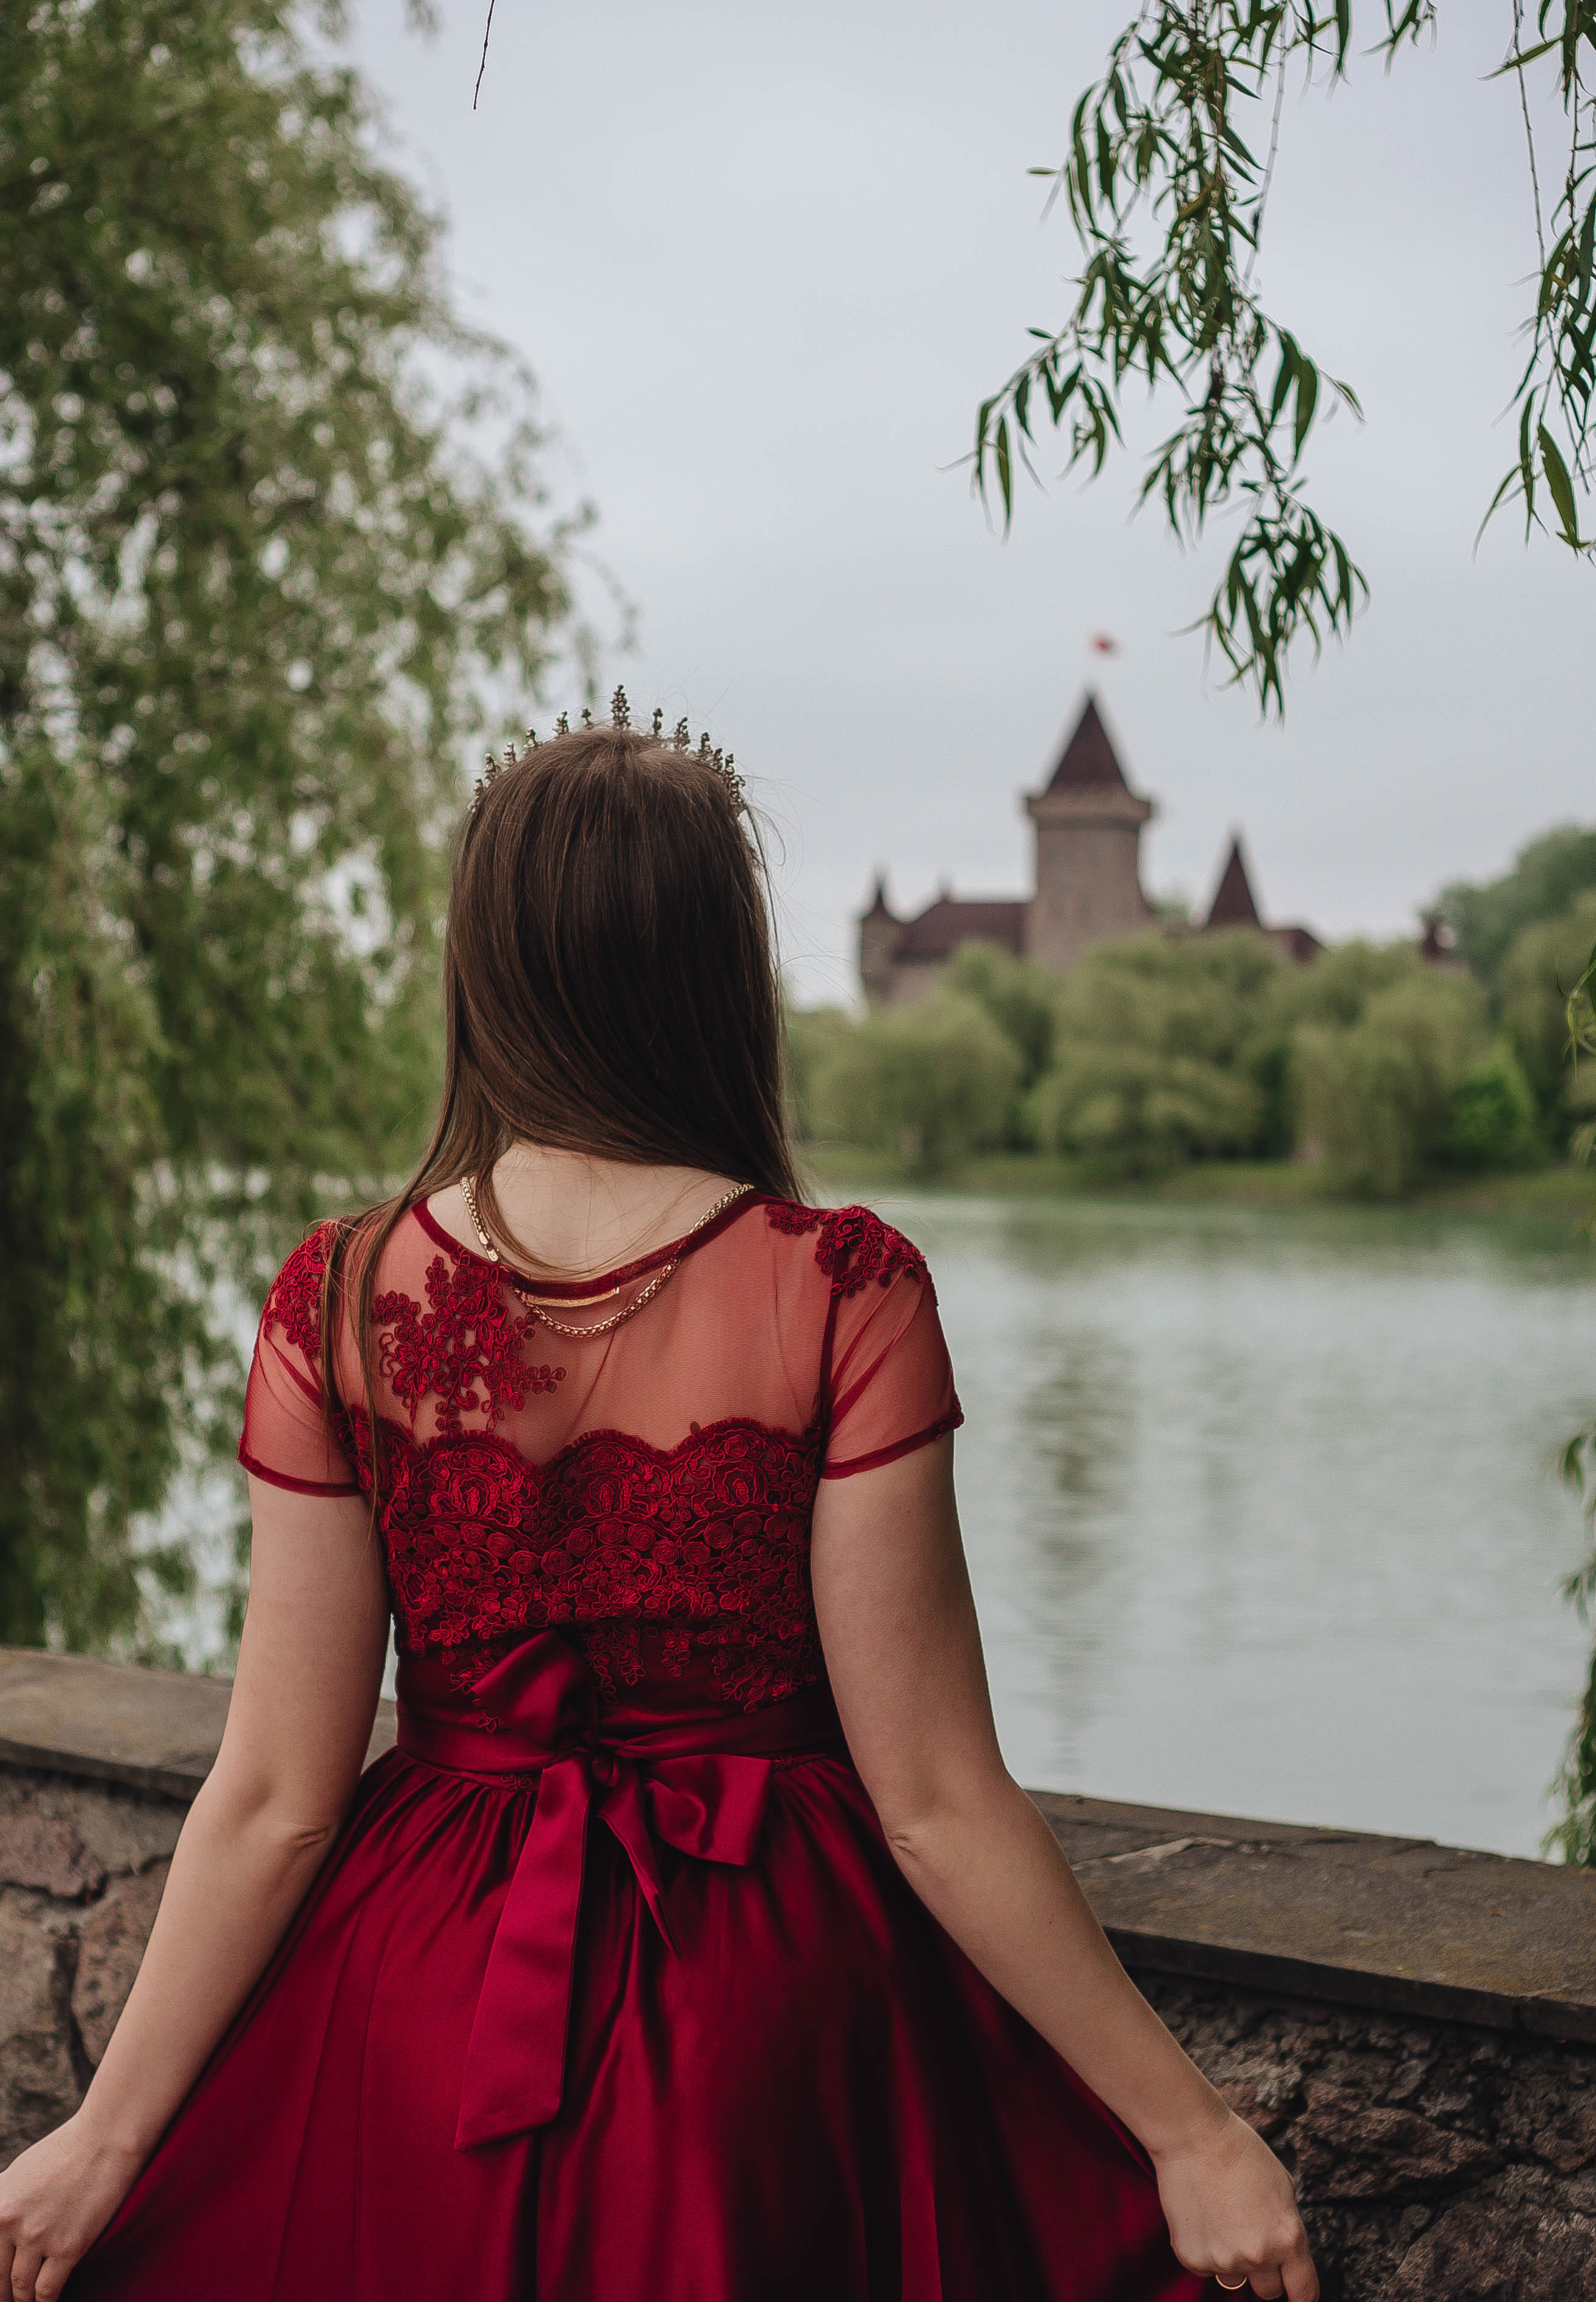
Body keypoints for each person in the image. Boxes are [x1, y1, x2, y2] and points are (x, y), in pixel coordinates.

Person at [0, 713, 1318, 2302]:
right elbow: (935, 1804)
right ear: (716, 966)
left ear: (485, 967)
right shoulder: (843, 1289)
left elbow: (277, 1795)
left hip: (416, 1993)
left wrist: (106, 2137)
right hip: (767, 2002)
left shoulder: (336, 1296)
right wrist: (1185, 2135)